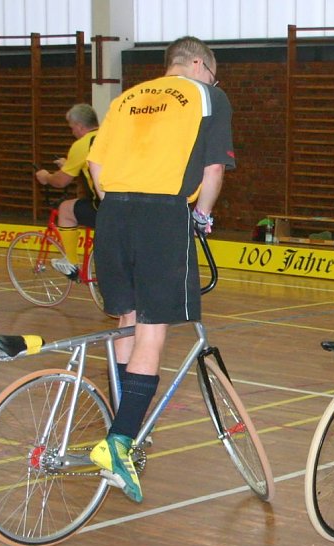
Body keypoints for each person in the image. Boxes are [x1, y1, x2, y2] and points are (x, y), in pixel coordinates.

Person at [86, 36, 235, 502]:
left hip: (113, 212)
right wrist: (202, 216)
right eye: (213, 74)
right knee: (152, 328)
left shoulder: (126, 98)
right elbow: (213, 169)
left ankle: (123, 421)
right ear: (199, 63)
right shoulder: (206, 95)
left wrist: (119, 207)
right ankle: (119, 442)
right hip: (162, 213)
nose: (214, 82)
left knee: (127, 319)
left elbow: (95, 164)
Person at [34, 103, 100, 280]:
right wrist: (69, 164)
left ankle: (71, 262)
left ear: (79, 126)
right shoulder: (110, 136)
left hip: (104, 207)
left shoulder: (82, 144)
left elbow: (61, 181)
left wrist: (46, 177)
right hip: (130, 202)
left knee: (65, 208)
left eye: (72, 128)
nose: (72, 132)